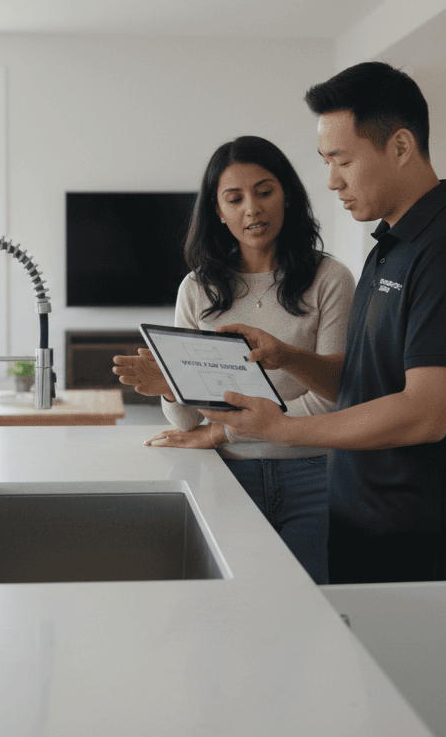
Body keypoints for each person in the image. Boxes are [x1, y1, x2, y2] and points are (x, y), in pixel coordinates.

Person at [200, 62, 446, 583]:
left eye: (342, 160)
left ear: (401, 146)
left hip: (416, 546)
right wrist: (289, 357)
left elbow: (424, 413)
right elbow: (366, 384)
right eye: (326, 161)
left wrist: (285, 429)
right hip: (360, 525)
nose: (331, 181)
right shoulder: (391, 247)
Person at [112, 136, 355, 584]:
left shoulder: (331, 279)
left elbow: (334, 399)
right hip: (226, 477)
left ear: (289, 197)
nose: (252, 209)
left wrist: (222, 430)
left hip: (314, 476)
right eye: (235, 198)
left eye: (265, 192)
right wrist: (170, 386)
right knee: (234, 611)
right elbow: (187, 423)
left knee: (309, 611)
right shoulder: (197, 289)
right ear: (218, 211)